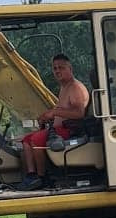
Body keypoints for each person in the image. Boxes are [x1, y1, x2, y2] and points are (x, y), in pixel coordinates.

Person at [21, 53, 93, 185]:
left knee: (36, 140)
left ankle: (42, 178)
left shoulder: (75, 88)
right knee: (26, 140)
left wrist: (54, 113)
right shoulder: (64, 87)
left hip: (70, 130)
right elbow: (61, 109)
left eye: (61, 67)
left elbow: (79, 114)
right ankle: (31, 175)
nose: (57, 71)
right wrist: (46, 116)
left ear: (70, 69)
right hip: (58, 129)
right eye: (55, 68)